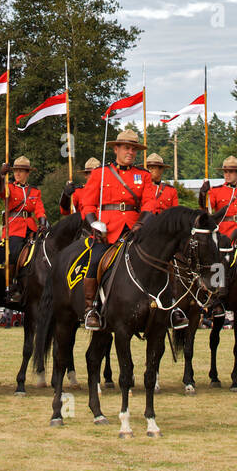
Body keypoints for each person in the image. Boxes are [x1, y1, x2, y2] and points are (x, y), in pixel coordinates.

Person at [75, 129, 158, 330]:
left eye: (133, 149)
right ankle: (90, 308)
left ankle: (167, 306)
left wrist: (140, 224)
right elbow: (87, 204)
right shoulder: (99, 173)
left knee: (159, 259)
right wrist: (95, 223)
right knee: (94, 260)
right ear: (116, 149)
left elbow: (150, 203)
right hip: (107, 230)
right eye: (126, 148)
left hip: (135, 230)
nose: (130, 152)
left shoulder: (143, 175)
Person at [0, 155, 47, 300]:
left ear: (27, 173)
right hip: (14, 227)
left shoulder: (34, 191)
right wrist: (1, 175)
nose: (17, 173)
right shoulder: (9, 187)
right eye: (16, 170)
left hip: (30, 227)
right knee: (14, 251)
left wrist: (42, 223)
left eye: (21, 171)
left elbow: (39, 209)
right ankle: (12, 284)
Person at [198, 157, 237, 238]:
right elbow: (206, 209)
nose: (227, 174)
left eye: (230, 172)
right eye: (225, 172)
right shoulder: (215, 191)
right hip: (223, 233)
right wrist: (203, 194)